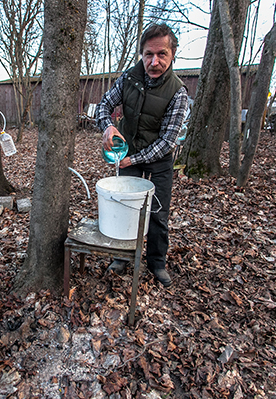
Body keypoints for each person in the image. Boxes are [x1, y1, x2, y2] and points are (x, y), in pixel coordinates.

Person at [95, 23, 188, 287]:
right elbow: (103, 106)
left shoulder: (178, 92)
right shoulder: (128, 78)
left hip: (158, 160)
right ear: (142, 54)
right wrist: (108, 126)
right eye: (148, 54)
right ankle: (122, 256)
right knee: (124, 207)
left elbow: (168, 141)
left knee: (157, 212)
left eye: (162, 54)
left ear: (172, 56)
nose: (154, 61)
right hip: (128, 151)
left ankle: (157, 263)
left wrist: (132, 160)